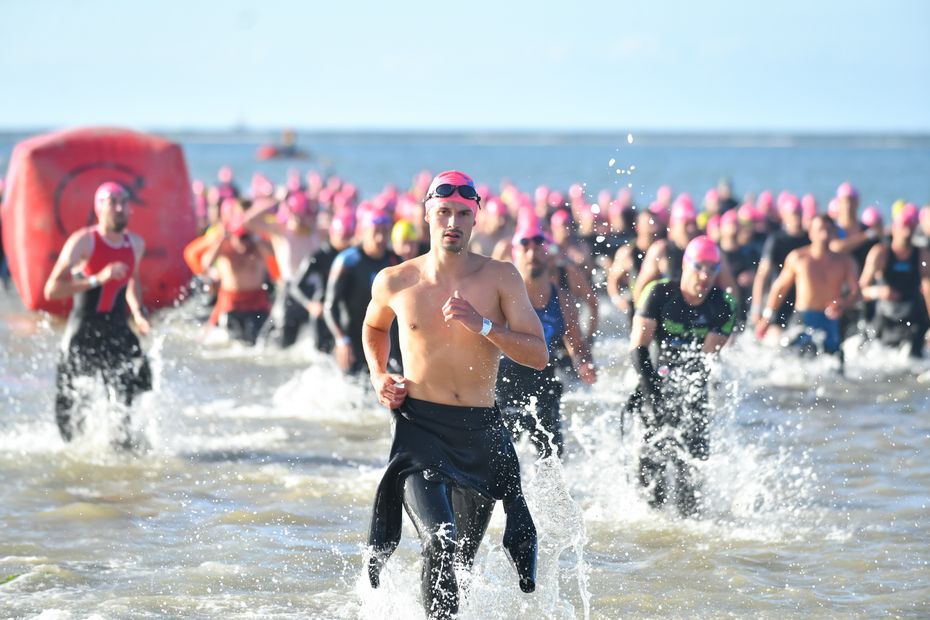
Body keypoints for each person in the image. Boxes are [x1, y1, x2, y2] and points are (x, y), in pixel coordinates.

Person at [363, 170, 547, 619]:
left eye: (463, 213)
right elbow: (373, 327)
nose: (453, 221)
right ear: (427, 215)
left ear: (476, 219)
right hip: (420, 430)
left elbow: (538, 355)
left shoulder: (501, 277)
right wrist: (377, 373)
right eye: (443, 211)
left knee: (459, 557)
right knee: (440, 539)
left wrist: (483, 325)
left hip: (480, 434)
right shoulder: (395, 280)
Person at [630, 235, 736, 515]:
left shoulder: (723, 305)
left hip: (693, 388)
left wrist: (687, 403)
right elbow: (638, 348)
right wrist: (654, 397)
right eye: (699, 267)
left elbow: (705, 362)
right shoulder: (659, 293)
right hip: (654, 381)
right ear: (686, 265)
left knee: (692, 475)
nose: (705, 276)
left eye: (712, 269)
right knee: (651, 481)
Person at [43, 182, 152, 447]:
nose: (119, 208)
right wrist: (97, 280)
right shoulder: (83, 241)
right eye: (112, 202)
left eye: (124, 202)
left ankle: (124, 463)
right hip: (83, 333)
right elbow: (51, 290)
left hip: (116, 330)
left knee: (136, 389)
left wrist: (137, 313)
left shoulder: (135, 244)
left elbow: (132, 282)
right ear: (98, 207)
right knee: (71, 411)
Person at [496, 224, 597, 459]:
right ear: (515, 254)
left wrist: (584, 362)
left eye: (538, 247)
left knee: (552, 456)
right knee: (500, 460)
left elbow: (576, 344)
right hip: (504, 381)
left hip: (543, 379)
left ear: (549, 253)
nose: (532, 254)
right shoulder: (500, 295)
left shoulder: (562, 298)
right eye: (525, 247)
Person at [757, 215, 861, 372]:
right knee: (793, 367)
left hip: (830, 321)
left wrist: (843, 303)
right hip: (803, 319)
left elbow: (856, 293)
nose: (824, 235)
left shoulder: (845, 261)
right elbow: (780, 288)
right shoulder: (798, 258)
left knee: (835, 370)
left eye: (828, 230)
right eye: (820, 230)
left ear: (834, 233)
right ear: (810, 233)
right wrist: (767, 316)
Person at [324, 209, 399, 375]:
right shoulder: (348, 261)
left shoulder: (395, 261)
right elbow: (329, 306)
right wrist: (341, 340)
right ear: (363, 232)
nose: (380, 238)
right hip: (352, 340)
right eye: (375, 232)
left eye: (385, 232)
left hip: (384, 340)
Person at [859, 204, 930, 357]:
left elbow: (929, 290)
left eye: (911, 226)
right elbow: (859, 291)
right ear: (894, 228)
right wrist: (878, 291)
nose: (907, 230)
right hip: (886, 316)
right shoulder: (880, 253)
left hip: (912, 317)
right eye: (904, 225)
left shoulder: (922, 255)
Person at [200, 204, 274, 345]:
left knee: (259, 343)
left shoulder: (257, 247)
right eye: (241, 238)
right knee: (233, 343)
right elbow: (206, 264)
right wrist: (221, 240)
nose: (244, 243)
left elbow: (274, 253)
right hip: (231, 303)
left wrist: (256, 238)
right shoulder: (225, 249)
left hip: (257, 301)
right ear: (232, 236)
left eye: (247, 237)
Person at [288, 211, 355, 353]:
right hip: (323, 311)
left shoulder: (353, 255)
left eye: (349, 237)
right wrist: (310, 304)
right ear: (332, 234)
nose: (346, 242)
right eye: (343, 237)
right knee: (322, 355)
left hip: (344, 311)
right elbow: (295, 286)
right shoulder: (319, 256)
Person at [749, 195, 810, 339]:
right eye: (793, 214)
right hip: (779, 297)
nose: (797, 218)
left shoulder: (809, 239)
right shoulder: (776, 240)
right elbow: (762, 275)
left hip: (802, 299)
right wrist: (756, 308)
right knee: (777, 339)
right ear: (784, 216)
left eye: (799, 213)